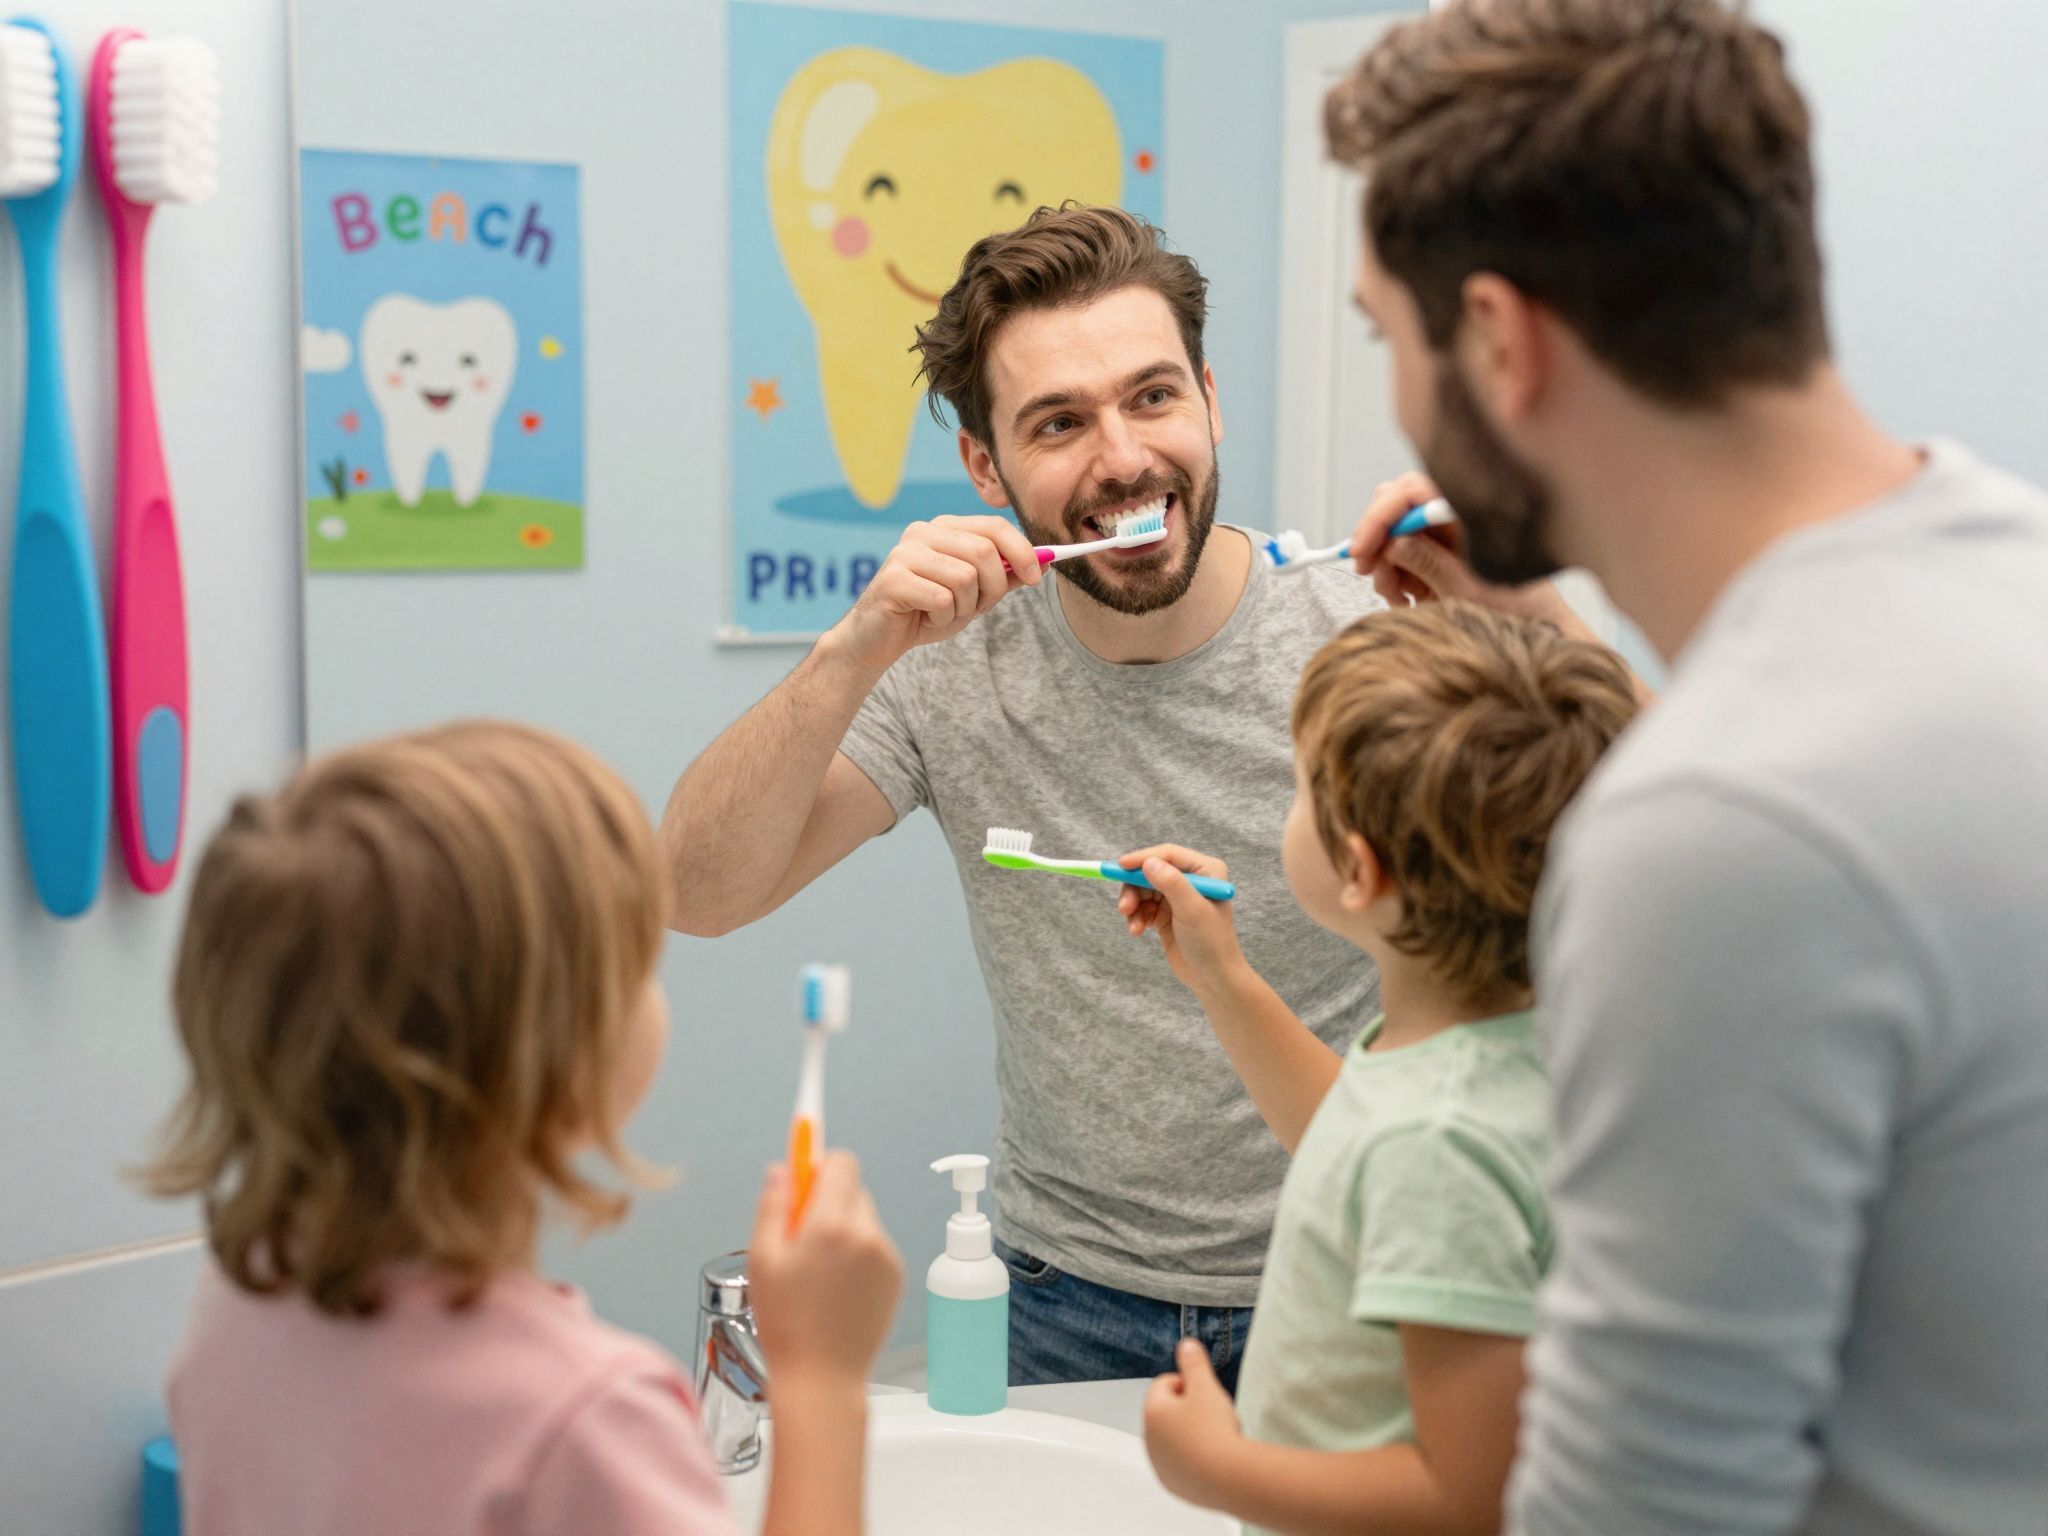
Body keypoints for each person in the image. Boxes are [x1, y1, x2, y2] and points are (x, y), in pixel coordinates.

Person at [1324, 4, 2048, 1533]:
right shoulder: (2005, 587)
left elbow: (1642, 1511)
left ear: (1504, 344)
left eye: (1389, 335)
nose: (1398, 389)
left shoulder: (1719, 830)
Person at [664, 204, 1443, 1389]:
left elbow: (1609, 879)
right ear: (985, 466)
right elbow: (695, 893)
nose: (1122, 456)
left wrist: (1525, 612)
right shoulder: (943, 665)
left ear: (1208, 401)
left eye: (1152, 397)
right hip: (1058, 1300)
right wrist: (849, 650)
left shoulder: (1364, 633)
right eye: (1058, 423)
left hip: (1350, 1275)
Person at [139, 721, 903, 1536]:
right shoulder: (583, 1423)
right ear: (555, 1067)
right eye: (636, 959)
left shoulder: (242, 1303)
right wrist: (822, 1381)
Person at [1118, 604, 1637, 1534]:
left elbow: (1468, 1494)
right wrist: (1224, 979)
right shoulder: (1491, 1053)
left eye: (1303, 785)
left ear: (1359, 869)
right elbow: (1348, 1143)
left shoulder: (1438, 1141)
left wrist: (1222, 1470)